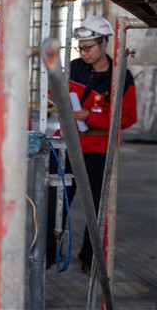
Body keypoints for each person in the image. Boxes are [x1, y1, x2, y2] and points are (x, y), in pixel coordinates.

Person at [46, 15, 137, 274]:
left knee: (96, 207)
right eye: (80, 48)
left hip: (97, 151)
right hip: (66, 145)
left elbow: (128, 117)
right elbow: (54, 93)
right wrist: (54, 99)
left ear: (104, 43)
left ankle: (90, 257)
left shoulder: (121, 76)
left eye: (88, 47)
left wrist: (91, 116)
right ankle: (49, 253)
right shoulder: (74, 67)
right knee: (54, 202)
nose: (83, 53)